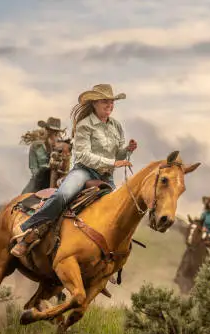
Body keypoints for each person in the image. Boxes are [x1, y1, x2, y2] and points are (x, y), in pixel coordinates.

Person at [10, 84, 138, 258]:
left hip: (105, 176)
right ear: (94, 104)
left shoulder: (116, 126)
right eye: (105, 101)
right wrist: (113, 162)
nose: (110, 105)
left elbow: (118, 153)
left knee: (121, 209)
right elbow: (84, 156)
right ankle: (28, 230)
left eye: (111, 102)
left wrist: (127, 150)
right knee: (63, 195)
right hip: (84, 172)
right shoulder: (84, 125)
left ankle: (111, 253)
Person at [20, 117, 67, 194]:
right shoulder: (35, 146)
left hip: (57, 180)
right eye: (50, 131)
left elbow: (66, 166)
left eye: (55, 132)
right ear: (46, 130)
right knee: (24, 197)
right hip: (39, 180)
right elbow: (34, 169)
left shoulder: (62, 147)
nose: (52, 134)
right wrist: (48, 167)